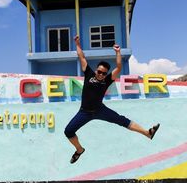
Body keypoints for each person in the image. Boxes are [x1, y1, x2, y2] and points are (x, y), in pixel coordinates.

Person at [64, 35, 160, 164]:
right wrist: (77, 44)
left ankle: (147, 133)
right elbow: (81, 56)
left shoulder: (107, 80)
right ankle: (79, 150)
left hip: (99, 110)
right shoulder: (88, 73)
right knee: (68, 131)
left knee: (122, 120)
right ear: (96, 70)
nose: (101, 75)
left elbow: (119, 67)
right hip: (84, 112)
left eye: (104, 73)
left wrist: (118, 52)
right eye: (99, 72)